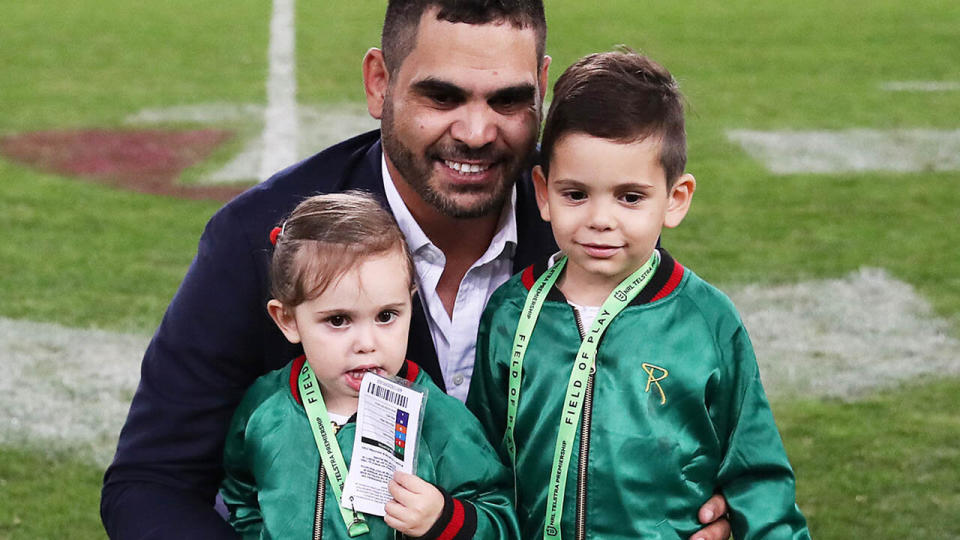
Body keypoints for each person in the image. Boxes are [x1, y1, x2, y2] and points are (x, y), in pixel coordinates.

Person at [101, 2, 731, 538]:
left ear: (541, 88)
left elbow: (697, 429)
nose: (478, 131)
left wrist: (718, 511)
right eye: (443, 95)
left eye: (508, 100)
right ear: (379, 82)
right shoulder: (260, 240)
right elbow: (150, 481)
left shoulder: (593, 225)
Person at [467, 50, 811, 539]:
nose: (600, 219)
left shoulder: (707, 322)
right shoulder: (510, 313)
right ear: (543, 193)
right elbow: (482, 468)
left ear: (675, 199)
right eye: (576, 194)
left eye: (630, 196)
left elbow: (758, 478)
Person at [220, 192, 519, 539]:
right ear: (287, 320)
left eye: (386, 316)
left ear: (410, 306)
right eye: (338, 320)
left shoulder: (438, 420)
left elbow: (500, 518)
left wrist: (441, 518)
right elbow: (241, 493)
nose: (367, 343)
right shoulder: (264, 407)